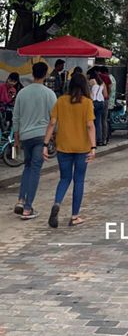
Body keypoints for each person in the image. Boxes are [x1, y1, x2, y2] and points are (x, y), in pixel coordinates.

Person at [43, 72, 96, 227]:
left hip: (63, 146)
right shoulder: (87, 103)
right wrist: (93, 147)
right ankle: (74, 216)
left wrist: (45, 144)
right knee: (78, 180)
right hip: (82, 147)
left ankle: (57, 203)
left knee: (64, 178)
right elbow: (90, 125)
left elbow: (52, 123)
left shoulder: (61, 101)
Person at [12, 62, 57, 220]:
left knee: (27, 167)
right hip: (41, 136)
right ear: (45, 75)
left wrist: (16, 138)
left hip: (25, 136)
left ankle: (21, 199)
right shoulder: (49, 94)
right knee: (35, 169)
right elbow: (54, 118)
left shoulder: (22, 93)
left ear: (32, 73)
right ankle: (27, 208)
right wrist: (54, 136)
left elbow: (16, 117)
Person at [87, 70, 106, 146]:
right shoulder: (102, 83)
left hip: (94, 102)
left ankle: (92, 140)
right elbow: (104, 94)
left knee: (92, 122)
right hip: (101, 102)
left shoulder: (92, 81)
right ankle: (99, 139)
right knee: (98, 122)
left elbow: (90, 94)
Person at [97, 63, 112, 144]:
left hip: (96, 100)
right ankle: (104, 139)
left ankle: (98, 139)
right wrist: (107, 95)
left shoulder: (96, 77)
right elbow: (110, 88)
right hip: (105, 99)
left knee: (97, 120)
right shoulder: (106, 77)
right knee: (104, 120)